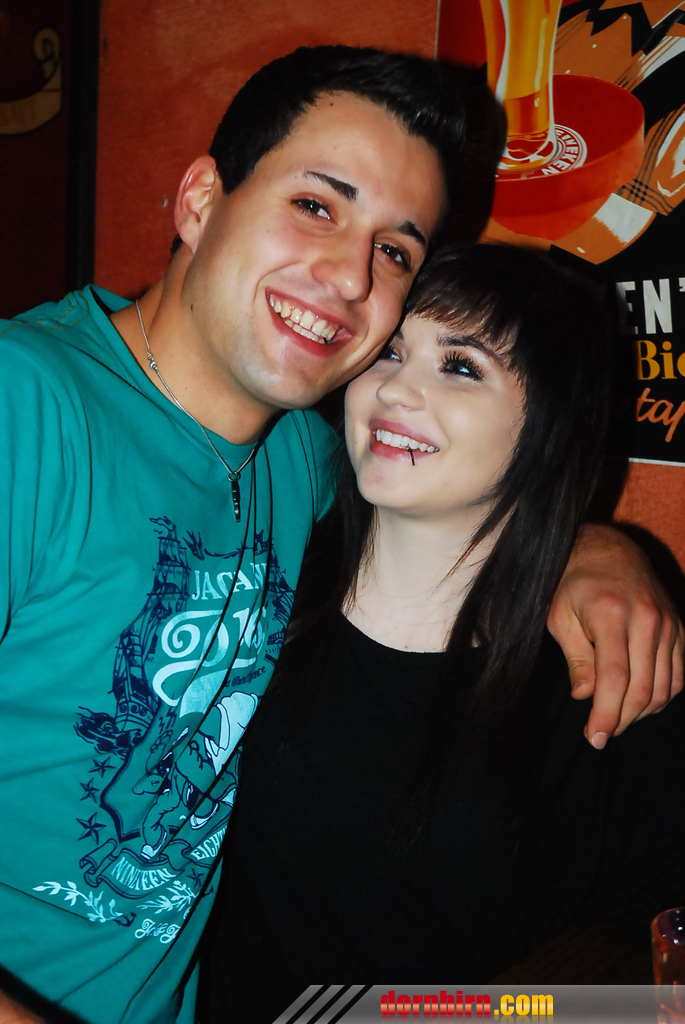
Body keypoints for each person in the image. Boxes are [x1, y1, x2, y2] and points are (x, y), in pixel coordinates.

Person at [0, 45, 681, 1024]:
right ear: (200, 200)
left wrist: (595, 549)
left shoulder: (302, 462)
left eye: (395, 250)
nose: (349, 275)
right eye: (316, 205)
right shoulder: (25, 409)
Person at [202, 244, 685, 1023]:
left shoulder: (606, 678)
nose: (394, 387)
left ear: (549, 427)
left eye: (460, 366)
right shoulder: (251, 579)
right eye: (389, 351)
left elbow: (637, 978)